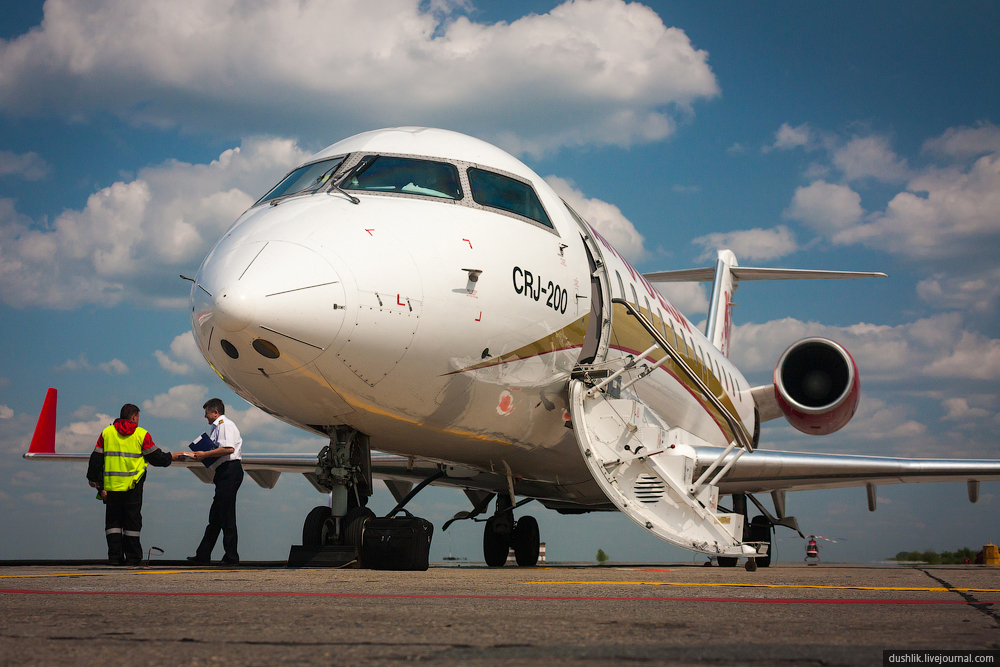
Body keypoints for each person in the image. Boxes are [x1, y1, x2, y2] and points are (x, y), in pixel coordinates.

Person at [87, 404, 183, 566]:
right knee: (132, 523)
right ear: (133, 417)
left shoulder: (106, 433)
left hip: (112, 487)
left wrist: (95, 480)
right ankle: (132, 558)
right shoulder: (141, 434)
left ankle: (114, 558)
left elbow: (96, 459)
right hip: (133, 486)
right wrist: (170, 457)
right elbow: (155, 457)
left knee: (113, 524)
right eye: (138, 417)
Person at [187, 398, 244, 565]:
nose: (205, 417)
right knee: (217, 516)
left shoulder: (224, 425)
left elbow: (228, 448)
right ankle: (203, 554)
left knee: (225, 516)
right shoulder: (218, 427)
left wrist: (204, 455)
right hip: (224, 472)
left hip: (229, 470)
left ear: (215, 412)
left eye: (207, 413)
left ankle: (231, 557)